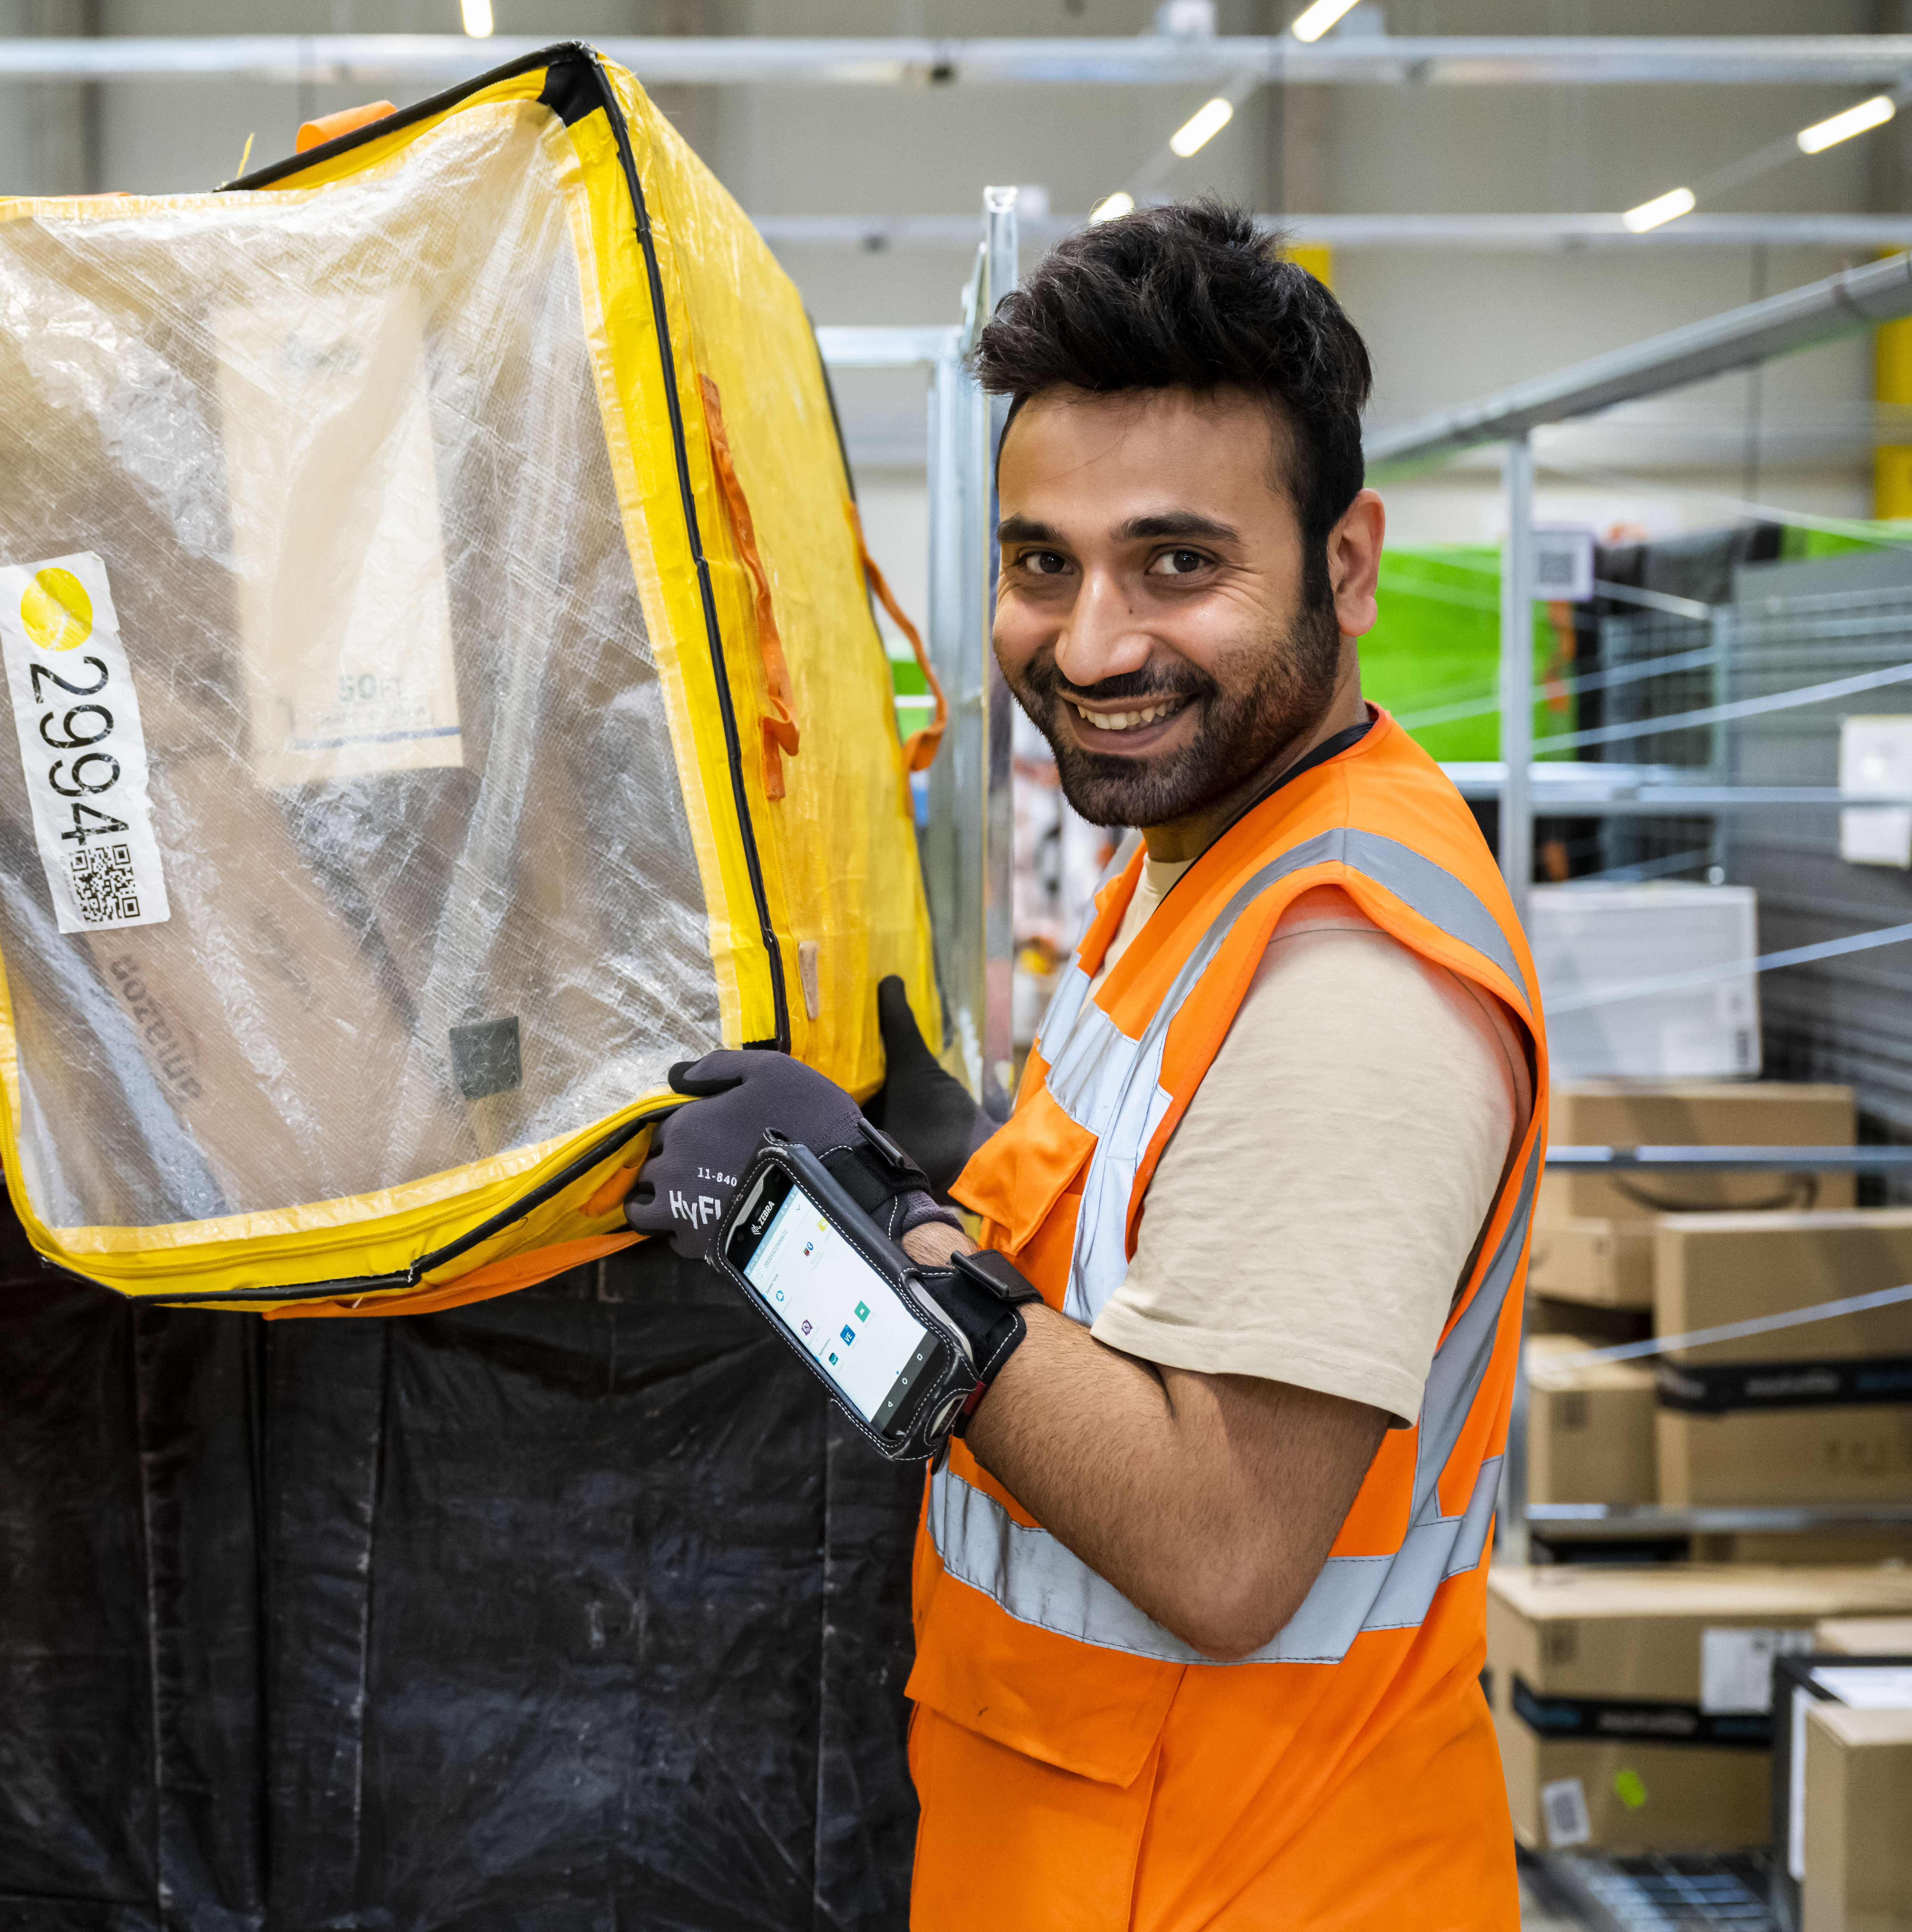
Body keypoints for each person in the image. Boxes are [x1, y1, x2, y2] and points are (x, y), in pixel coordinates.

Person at [628, 203, 1545, 1927]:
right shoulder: (1199, 847)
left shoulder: (1350, 976)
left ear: (1345, 565)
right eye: (1041, 562)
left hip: (1238, 1878)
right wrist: (935, 1155)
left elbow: (1221, 1547)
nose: (1093, 645)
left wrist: (838, 1219)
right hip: (1083, 1849)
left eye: (1178, 564)